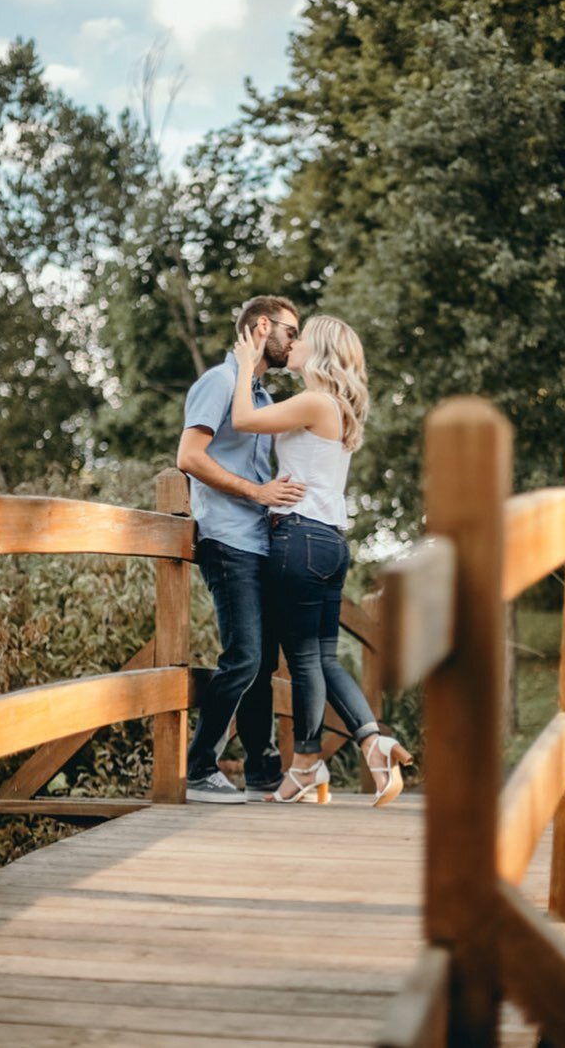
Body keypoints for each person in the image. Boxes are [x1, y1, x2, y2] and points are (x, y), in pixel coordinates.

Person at [231, 314, 413, 806]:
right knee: (319, 658)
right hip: (328, 541)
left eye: (301, 336)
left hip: (299, 537)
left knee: (306, 660)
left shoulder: (314, 401)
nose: (292, 342)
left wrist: (247, 365)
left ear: (321, 352)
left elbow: (243, 420)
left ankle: (312, 763)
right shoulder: (334, 406)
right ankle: (369, 742)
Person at [177, 296, 306, 803]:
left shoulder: (261, 402)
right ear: (260, 327)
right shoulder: (217, 382)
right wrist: (257, 493)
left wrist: (271, 499)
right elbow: (189, 456)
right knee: (245, 655)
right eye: (289, 331)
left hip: (259, 540)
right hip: (227, 538)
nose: (293, 341)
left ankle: (262, 769)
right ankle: (199, 767)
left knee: (263, 660)